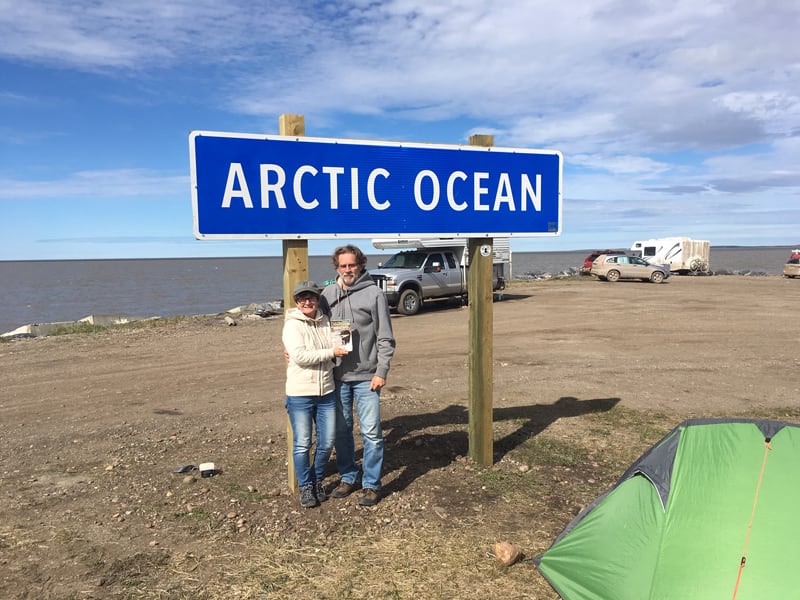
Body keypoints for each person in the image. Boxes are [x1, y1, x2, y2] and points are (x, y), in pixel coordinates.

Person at [320, 245, 396, 506]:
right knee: (341, 432)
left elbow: (385, 337)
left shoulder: (374, 294)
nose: (348, 270)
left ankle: (372, 484)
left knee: (372, 433)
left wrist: (381, 371)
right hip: (337, 376)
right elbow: (313, 326)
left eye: (352, 265)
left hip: (367, 378)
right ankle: (348, 476)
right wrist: (292, 348)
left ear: (361, 265)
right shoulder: (327, 293)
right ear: (337, 267)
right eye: (343, 266)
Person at [282, 280, 349, 509]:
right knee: (302, 444)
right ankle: (306, 486)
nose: (307, 302)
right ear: (297, 302)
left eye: (311, 297)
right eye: (302, 298)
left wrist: (337, 352)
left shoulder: (326, 321)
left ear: (317, 298)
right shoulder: (292, 325)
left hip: (327, 392)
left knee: (327, 441)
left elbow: (341, 350)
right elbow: (300, 356)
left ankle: (318, 479)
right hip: (300, 394)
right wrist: (331, 352)